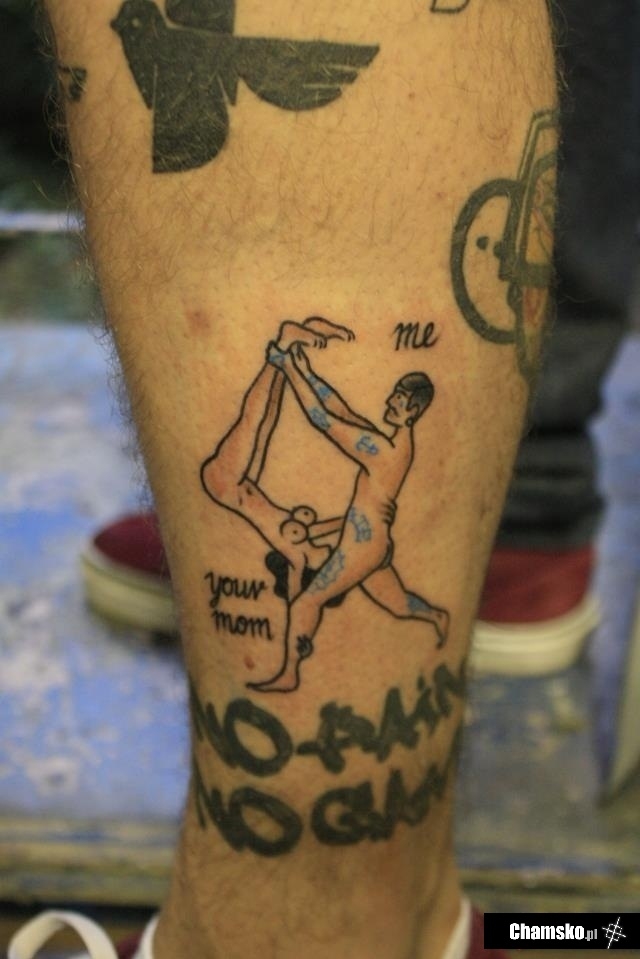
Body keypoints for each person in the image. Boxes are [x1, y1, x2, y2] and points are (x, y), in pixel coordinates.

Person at [12, 0, 558, 956]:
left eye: (400, 405)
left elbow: (333, 421)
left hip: (359, 536)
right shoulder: (385, 436)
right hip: (361, 535)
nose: (393, 410)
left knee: (310, 600)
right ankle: (406, 918)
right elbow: (332, 421)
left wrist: (297, 371)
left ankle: (311, 924)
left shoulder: (386, 443)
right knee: (362, 579)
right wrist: (294, 369)